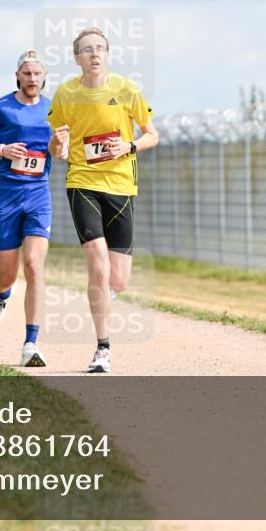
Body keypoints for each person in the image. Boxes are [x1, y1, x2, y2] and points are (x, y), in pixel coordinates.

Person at [47, 27, 159, 373]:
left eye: (100, 48)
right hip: (82, 181)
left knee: (119, 280)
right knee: (97, 261)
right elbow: (56, 148)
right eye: (86, 50)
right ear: (77, 58)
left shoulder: (127, 90)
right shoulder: (65, 94)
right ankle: (103, 349)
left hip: (122, 186)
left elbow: (152, 135)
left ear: (107, 55)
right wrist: (59, 145)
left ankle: (104, 295)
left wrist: (128, 146)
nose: (94, 54)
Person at [0, 49, 56, 367]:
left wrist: (60, 145)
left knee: (34, 265)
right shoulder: (0, 107)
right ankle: (1, 296)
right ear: (18, 76)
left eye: (37, 73)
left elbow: (59, 150)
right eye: (27, 73)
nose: (32, 79)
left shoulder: (54, 109)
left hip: (38, 196)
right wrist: (1, 149)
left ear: (44, 77)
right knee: (7, 274)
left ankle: (31, 344)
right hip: (6, 196)